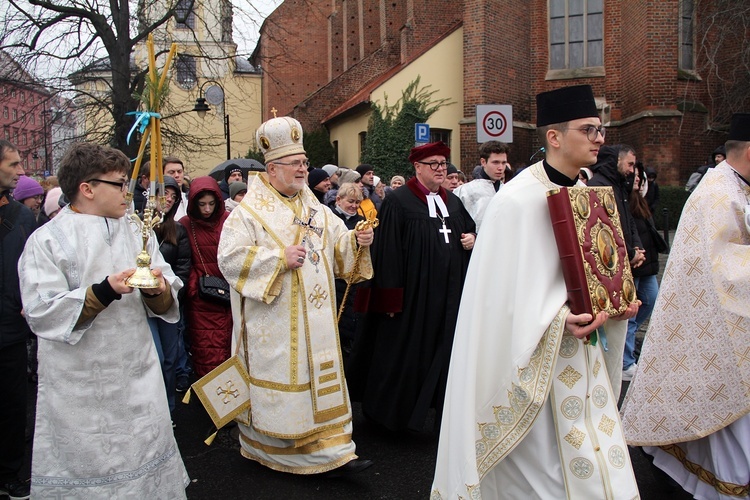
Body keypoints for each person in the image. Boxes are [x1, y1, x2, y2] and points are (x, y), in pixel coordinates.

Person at [432, 85, 640, 499]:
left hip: (586, 357)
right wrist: (562, 317)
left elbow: (595, 269)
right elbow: (499, 300)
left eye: (600, 130)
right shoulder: (517, 201)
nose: (600, 139)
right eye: (589, 130)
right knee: (544, 475)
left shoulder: (587, 194)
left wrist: (616, 299)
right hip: (537, 364)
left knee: (598, 464)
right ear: (555, 137)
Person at [18, 142, 188, 498]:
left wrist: (157, 289)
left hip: (138, 374)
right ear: (88, 188)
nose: (128, 192)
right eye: (119, 184)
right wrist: (104, 291)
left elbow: (167, 287)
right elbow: (41, 312)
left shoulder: (133, 229)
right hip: (80, 387)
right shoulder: (47, 240)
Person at [217, 115, 374, 475]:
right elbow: (228, 259)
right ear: (272, 169)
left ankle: (334, 451)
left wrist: (356, 240)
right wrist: (276, 259)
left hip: (316, 321)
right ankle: (274, 450)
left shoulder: (315, 207)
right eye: (296, 164)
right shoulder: (248, 212)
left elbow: (339, 249)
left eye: (305, 163)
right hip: (275, 323)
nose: (304, 169)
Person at [621, 112, 750, 500]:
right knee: (721, 416)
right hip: (719, 326)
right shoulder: (719, 194)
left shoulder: (735, 186)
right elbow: (723, 271)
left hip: (723, 326)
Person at [348, 141, 476, 433]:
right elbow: (388, 251)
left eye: (444, 163)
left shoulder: (453, 202)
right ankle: (393, 418)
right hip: (413, 299)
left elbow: (468, 228)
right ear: (417, 168)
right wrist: (390, 300)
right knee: (405, 355)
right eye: (434, 164)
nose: (441, 169)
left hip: (448, 298)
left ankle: (441, 415)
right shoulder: (399, 201)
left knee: (444, 354)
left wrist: (471, 238)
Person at [588, 144, 646, 391]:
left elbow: (628, 221)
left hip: (624, 266)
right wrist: (628, 252)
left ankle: (613, 382)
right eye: (630, 164)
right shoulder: (597, 187)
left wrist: (637, 248)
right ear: (616, 162)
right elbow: (604, 233)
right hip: (608, 274)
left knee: (625, 320)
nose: (633, 170)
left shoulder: (620, 187)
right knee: (607, 333)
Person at [0, 140, 35, 500]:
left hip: (9, 330)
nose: (21, 171)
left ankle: (9, 472)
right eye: (12, 165)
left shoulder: (21, 217)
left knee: (12, 405)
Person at [179, 176, 232, 377]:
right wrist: (194, 287)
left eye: (211, 204)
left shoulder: (229, 220)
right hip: (202, 299)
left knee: (231, 347)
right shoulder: (185, 224)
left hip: (229, 295)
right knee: (206, 350)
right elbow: (184, 261)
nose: (207, 209)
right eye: (202, 204)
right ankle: (210, 400)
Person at [149, 175, 192, 417]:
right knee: (152, 357)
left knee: (169, 358)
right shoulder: (138, 225)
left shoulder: (176, 230)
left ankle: (168, 410)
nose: (168, 199)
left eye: (173, 196)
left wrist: (173, 292)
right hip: (141, 301)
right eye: (164, 193)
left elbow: (183, 267)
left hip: (169, 300)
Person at [622, 163, 663, 382]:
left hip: (647, 263)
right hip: (636, 264)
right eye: (634, 174)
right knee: (631, 311)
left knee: (650, 300)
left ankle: (623, 345)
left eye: (640, 175)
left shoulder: (640, 198)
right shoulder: (624, 199)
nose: (638, 178)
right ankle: (626, 361)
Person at [331, 182, 367, 358]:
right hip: (333, 277)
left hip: (353, 279)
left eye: (357, 203)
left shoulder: (361, 222)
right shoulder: (328, 218)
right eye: (350, 201)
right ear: (339, 199)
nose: (354, 206)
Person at [453, 141, 510, 232]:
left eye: (503, 163)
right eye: (496, 162)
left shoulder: (509, 190)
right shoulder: (465, 191)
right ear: (483, 162)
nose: (500, 167)